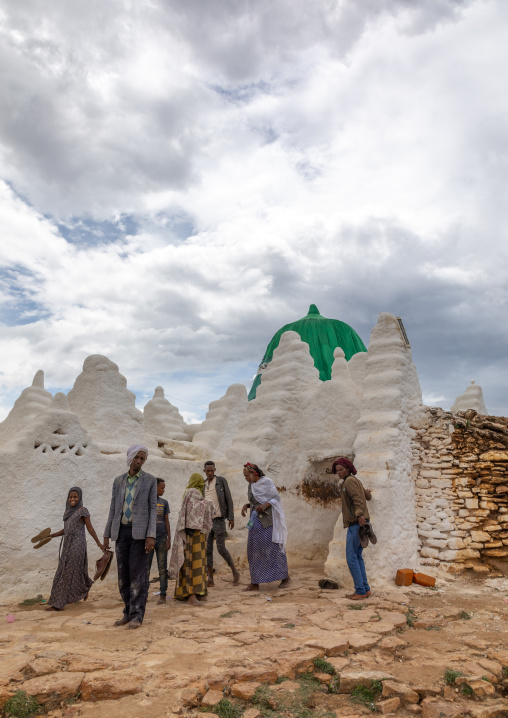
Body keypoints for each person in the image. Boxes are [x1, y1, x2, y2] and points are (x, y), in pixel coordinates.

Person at [103, 444, 157, 629]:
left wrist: (151, 535)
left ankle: (137, 615)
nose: (139, 461)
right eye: (137, 458)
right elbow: (113, 508)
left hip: (140, 535)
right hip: (121, 533)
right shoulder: (118, 482)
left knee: (138, 576)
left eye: (142, 458)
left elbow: (152, 508)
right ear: (130, 458)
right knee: (123, 576)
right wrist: (106, 534)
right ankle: (127, 612)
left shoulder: (150, 480)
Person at [46, 487, 104, 611]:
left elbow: (90, 528)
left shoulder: (83, 511)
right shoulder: (68, 512)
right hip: (67, 545)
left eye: (75, 497)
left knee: (66, 574)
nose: (73, 499)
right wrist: (52, 535)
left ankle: (58, 604)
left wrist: (99, 543)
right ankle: (84, 588)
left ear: (80, 498)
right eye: (71, 497)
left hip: (77, 545)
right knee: (61, 572)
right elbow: (66, 529)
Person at [241, 463, 290, 591]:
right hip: (255, 522)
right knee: (254, 550)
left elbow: (276, 499)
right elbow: (255, 502)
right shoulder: (251, 486)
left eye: (247, 475)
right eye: (244, 476)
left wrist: (265, 505)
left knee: (273, 547)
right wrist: (247, 506)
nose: (245, 478)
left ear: (254, 473)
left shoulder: (267, 482)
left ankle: (284, 577)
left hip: (268, 521)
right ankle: (255, 582)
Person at [169, 473, 214, 606]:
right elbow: (195, 508)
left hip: (197, 535)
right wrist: (208, 504)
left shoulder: (196, 493)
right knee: (192, 563)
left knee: (198, 564)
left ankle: (198, 592)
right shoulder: (192, 492)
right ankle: (191, 595)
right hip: (192, 535)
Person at [332, 457, 372, 600]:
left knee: (351, 557)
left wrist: (359, 515)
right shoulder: (356, 481)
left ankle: (360, 590)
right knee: (358, 556)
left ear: (348, 469)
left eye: (341, 470)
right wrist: (366, 491)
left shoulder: (349, 482)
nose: (339, 473)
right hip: (360, 522)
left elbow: (357, 499)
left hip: (356, 523)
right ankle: (365, 589)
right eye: (337, 470)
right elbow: (367, 496)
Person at [204, 461, 240, 587]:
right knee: (207, 549)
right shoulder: (203, 484)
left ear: (215, 470)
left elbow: (228, 499)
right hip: (207, 521)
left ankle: (235, 572)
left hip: (219, 520)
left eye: (211, 470)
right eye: (207, 471)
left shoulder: (221, 481)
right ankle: (210, 578)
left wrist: (231, 517)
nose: (209, 473)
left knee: (221, 548)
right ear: (204, 471)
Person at [147, 478, 171, 604]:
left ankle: (163, 595)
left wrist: (169, 538)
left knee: (162, 568)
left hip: (162, 538)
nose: (163, 490)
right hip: (149, 540)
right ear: (155, 488)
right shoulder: (147, 503)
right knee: (146, 568)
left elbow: (166, 520)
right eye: (161, 487)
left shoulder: (164, 503)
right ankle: (143, 594)